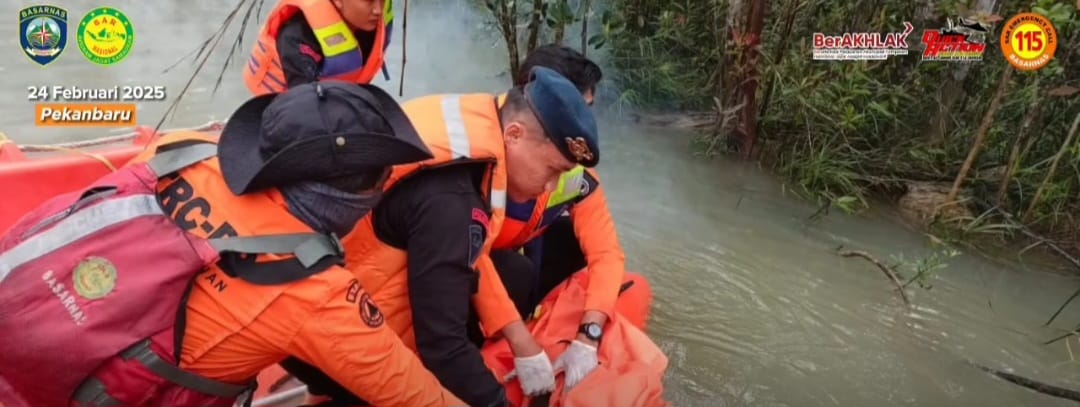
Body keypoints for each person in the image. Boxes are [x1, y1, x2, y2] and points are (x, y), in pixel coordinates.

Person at [63, 82, 464, 407]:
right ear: (346, 201)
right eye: (382, 181)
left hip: (57, 324)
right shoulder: (313, 292)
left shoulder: (183, 151)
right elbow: (422, 399)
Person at [277, 67, 600, 407]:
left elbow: (468, 258)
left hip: (311, 281)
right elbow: (443, 348)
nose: (549, 188)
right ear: (515, 135)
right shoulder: (452, 202)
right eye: (552, 171)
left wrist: (518, 339)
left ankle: (320, 388)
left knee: (511, 275)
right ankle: (331, 387)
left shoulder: (467, 126)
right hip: (327, 328)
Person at [490, 44, 625, 390]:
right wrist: (518, 339)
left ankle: (533, 319)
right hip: (458, 266)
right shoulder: (483, 154)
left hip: (506, 253)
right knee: (514, 271)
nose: (585, 124)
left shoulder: (573, 175)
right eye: (578, 109)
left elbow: (606, 254)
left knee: (567, 238)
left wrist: (589, 334)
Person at [245, 0, 395, 95]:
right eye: (368, 1)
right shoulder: (296, 37)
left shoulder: (368, 24)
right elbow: (304, 107)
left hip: (341, 97)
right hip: (279, 111)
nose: (378, 10)